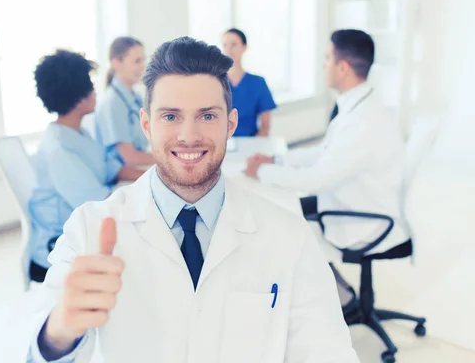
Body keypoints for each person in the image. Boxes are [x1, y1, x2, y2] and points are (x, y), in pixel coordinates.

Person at [27, 37, 359, 363]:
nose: (188, 135)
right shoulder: (89, 228)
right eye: (170, 116)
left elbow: (328, 351)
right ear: (147, 125)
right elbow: (40, 349)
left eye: (207, 116)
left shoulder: (289, 236)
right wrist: (60, 329)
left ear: (230, 124)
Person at [244, 29, 410, 308]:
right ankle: (337, 292)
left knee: (283, 223)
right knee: (286, 207)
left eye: (326, 59)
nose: (323, 65)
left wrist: (260, 172)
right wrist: (278, 161)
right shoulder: (360, 105)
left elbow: (317, 180)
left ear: (342, 67)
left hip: (363, 219)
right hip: (358, 198)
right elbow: (325, 153)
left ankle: (337, 300)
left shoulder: (362, 122)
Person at [28, 50, 144, 283]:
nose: (95, 92)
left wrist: (157, 178)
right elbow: (98, 206)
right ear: (79, 98)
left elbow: (113, 169)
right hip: (58, 252)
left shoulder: (79, 133)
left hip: (88, 228)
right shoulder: (59, 149)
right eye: (90, 86)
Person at [95, 36, 155, 167]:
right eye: (137, 61)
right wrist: (167, 157)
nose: (143, 66)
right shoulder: (112, 103)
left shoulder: (135, 98)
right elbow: (130, 158)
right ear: (116, 63)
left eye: (143, 60)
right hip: (123, 178)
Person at [222, 28, 277, 137]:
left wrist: (253, 148)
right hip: (222, 144)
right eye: (225, 45)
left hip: (250, 142)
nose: (228, 50)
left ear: (244, 47)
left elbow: (266, 126)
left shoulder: (258, 83)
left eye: (233, 44)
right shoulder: (216, 83)